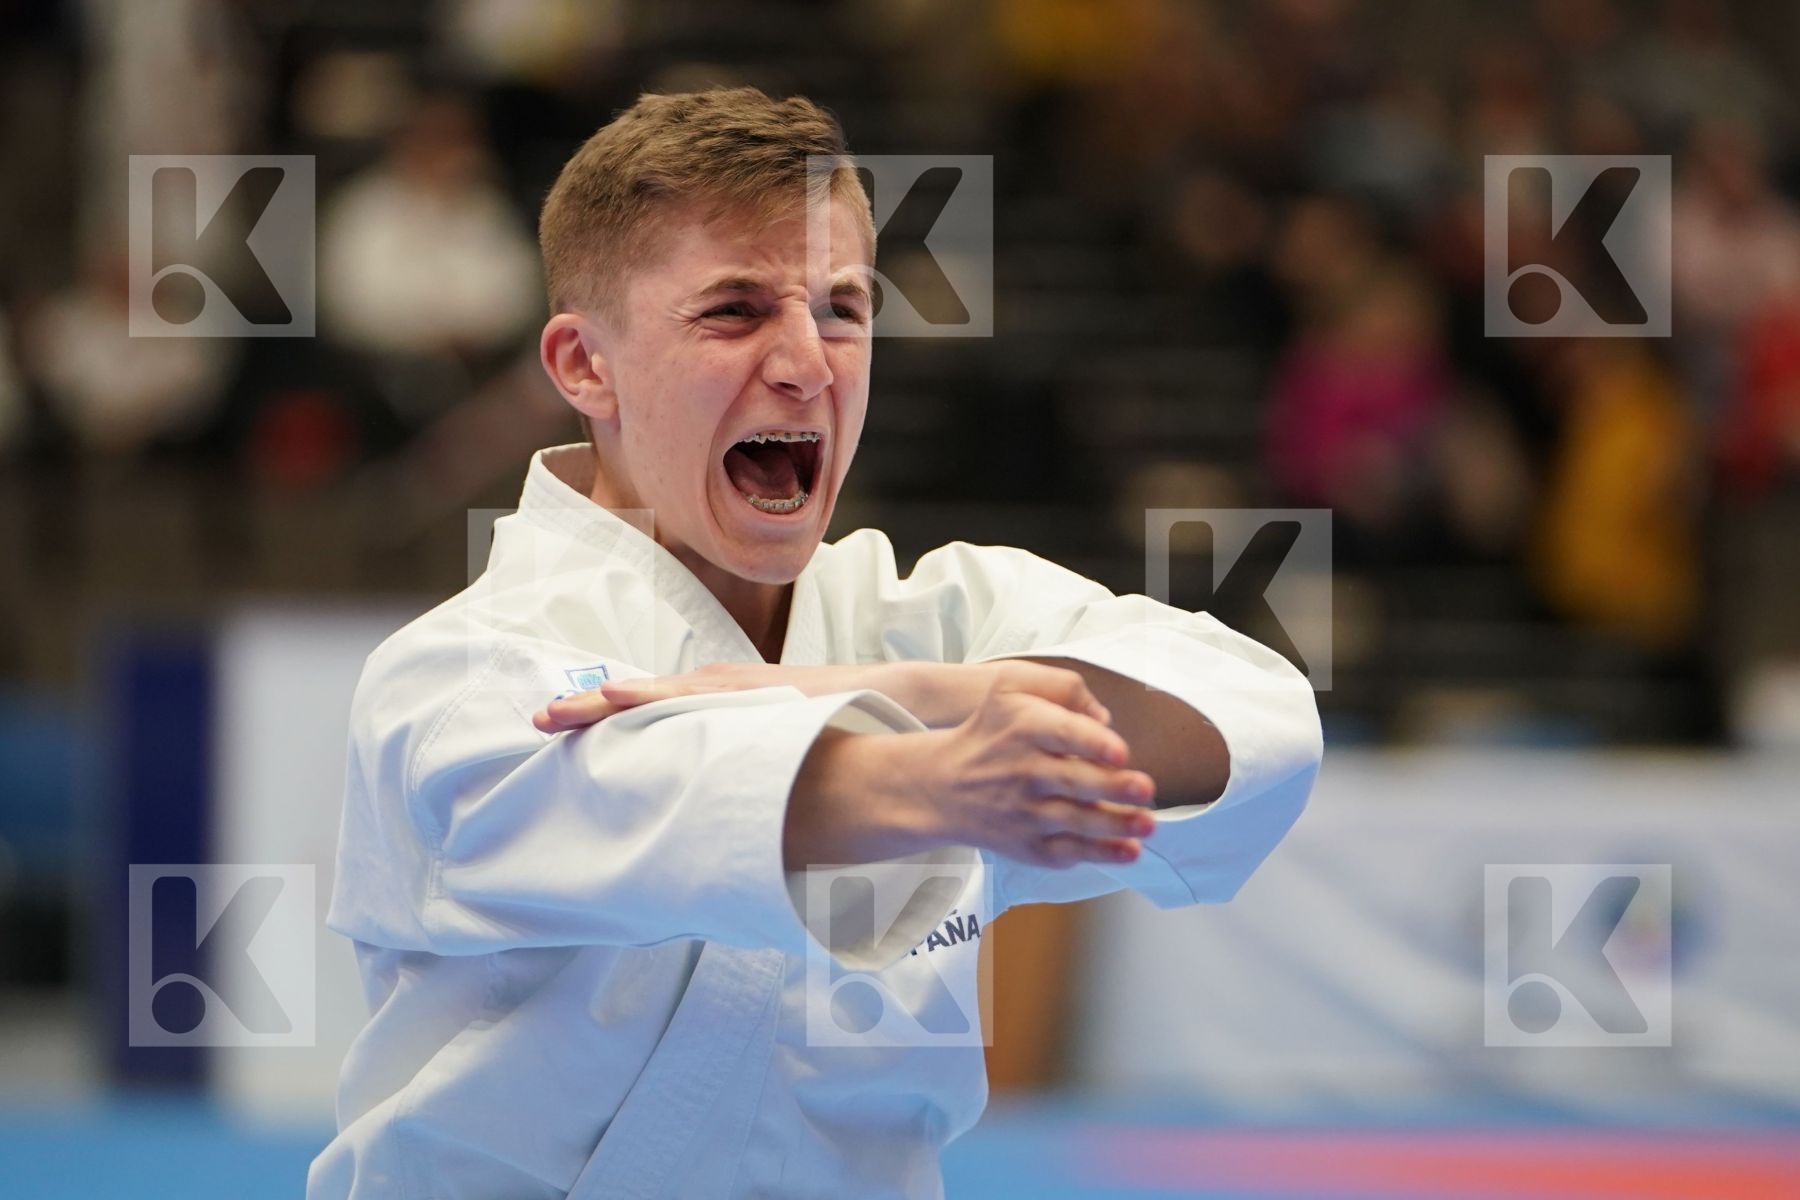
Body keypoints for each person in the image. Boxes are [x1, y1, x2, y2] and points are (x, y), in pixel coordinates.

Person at [308, 87, 1323, 1200]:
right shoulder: (457, 678)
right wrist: (936, 779)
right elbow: (674, 797)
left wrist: (905, 691)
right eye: (734, 310)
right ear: (585, 365)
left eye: (843, 308)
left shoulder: (930, 619)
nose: (807, 362)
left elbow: (1262, 716)